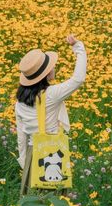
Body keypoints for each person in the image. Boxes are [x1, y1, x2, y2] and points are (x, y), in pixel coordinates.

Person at [15, 34, 87, 197]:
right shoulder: (52, 94)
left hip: (33, 154)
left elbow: (21, 136)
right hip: (52, 152)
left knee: (32, 199)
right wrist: (79, 48)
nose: (54, 68)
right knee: (53, 200)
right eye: (52, 67)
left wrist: (24, 161)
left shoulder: (19, 102)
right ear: (46, 74)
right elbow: (78, 79)